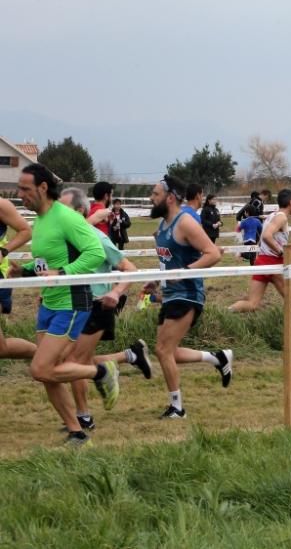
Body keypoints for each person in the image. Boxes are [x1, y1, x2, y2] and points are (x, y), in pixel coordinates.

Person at [12, 164, 114, 447]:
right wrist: (26, 271)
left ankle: (102, 372)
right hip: (49, 301)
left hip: (72, 300)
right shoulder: (41, 220)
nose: (19, 194)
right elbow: (50, 261)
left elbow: (94, 253)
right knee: (49, 374)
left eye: (25, 189)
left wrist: (64, 273)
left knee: (40, 369)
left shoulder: (66, 217)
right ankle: (76, 432)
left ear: (43, 188)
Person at [59, 187, 153, 431]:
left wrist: (115, 292)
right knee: (76, 360)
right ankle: (130, 356)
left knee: (73, 361)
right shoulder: (63, 239)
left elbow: (129, 268)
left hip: (97, 305)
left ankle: (83, 417)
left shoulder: (97, 238)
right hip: (71, 306)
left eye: (64, 208)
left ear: (79, 211)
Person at [149, 175, 228, 419]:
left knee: (163, 350)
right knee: (166, 350)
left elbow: (213, 253)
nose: (151, 199)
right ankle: (217, 358)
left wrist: (185, 272)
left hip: (189, 294)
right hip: (171, 294)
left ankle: (177, 407)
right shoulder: (162, 226)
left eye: (155, 195)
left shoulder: (185, 222)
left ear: (170, 197)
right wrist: (157, 281)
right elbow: (168, 261)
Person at [228, 189, 291, 312]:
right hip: (273, 263)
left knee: (252, 304)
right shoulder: (282, 218)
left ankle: (226, 312)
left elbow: (262, 239)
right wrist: (281, 251)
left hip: (262, 261)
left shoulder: (271, 216)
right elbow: (266, 236)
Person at [0, 196, 34, 360]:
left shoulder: (2, 205)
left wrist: (3, 251)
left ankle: (46, 357)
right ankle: (47, 356)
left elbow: (26, 231)